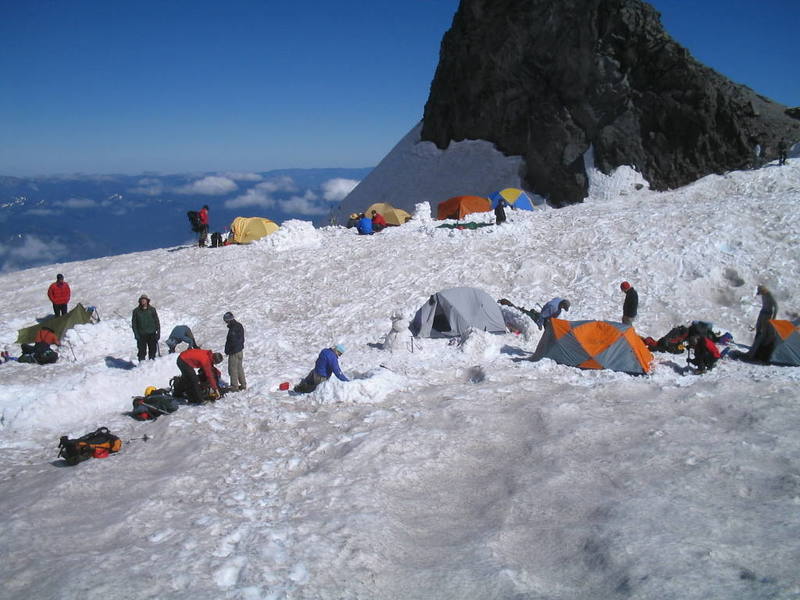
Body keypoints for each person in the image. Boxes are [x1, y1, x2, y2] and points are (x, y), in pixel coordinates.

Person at [131, 294, 160, 361]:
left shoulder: (152, 310)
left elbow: (157, 321)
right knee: (142, 351)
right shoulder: (136, 311)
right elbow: (134, 324)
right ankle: (142, 365)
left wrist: (158, 332)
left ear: (147, 301)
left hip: (152, 333)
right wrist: (136, 334)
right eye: (142, 300)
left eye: (144, 300)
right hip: (141, 335)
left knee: (152, 350)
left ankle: (152, 363)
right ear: (140, 301)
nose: (143, 301)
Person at [223, 311, 246, 391]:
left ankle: (234, 386)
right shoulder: (239, 325)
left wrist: (228, 350)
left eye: (225, 320)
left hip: (234, 352)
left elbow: (232, 341)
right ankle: (243, 384)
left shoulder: (233, 329)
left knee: (232, 369)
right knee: (239, 368)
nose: (225, 322)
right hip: (240, 350)